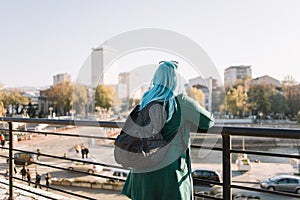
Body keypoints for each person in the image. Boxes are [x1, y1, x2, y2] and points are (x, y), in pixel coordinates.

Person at [121, 61, 215, 200]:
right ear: (177, 81)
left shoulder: (146, 100)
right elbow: (208, 121)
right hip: (169, 175)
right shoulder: (181, 102)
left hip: (141, 170)